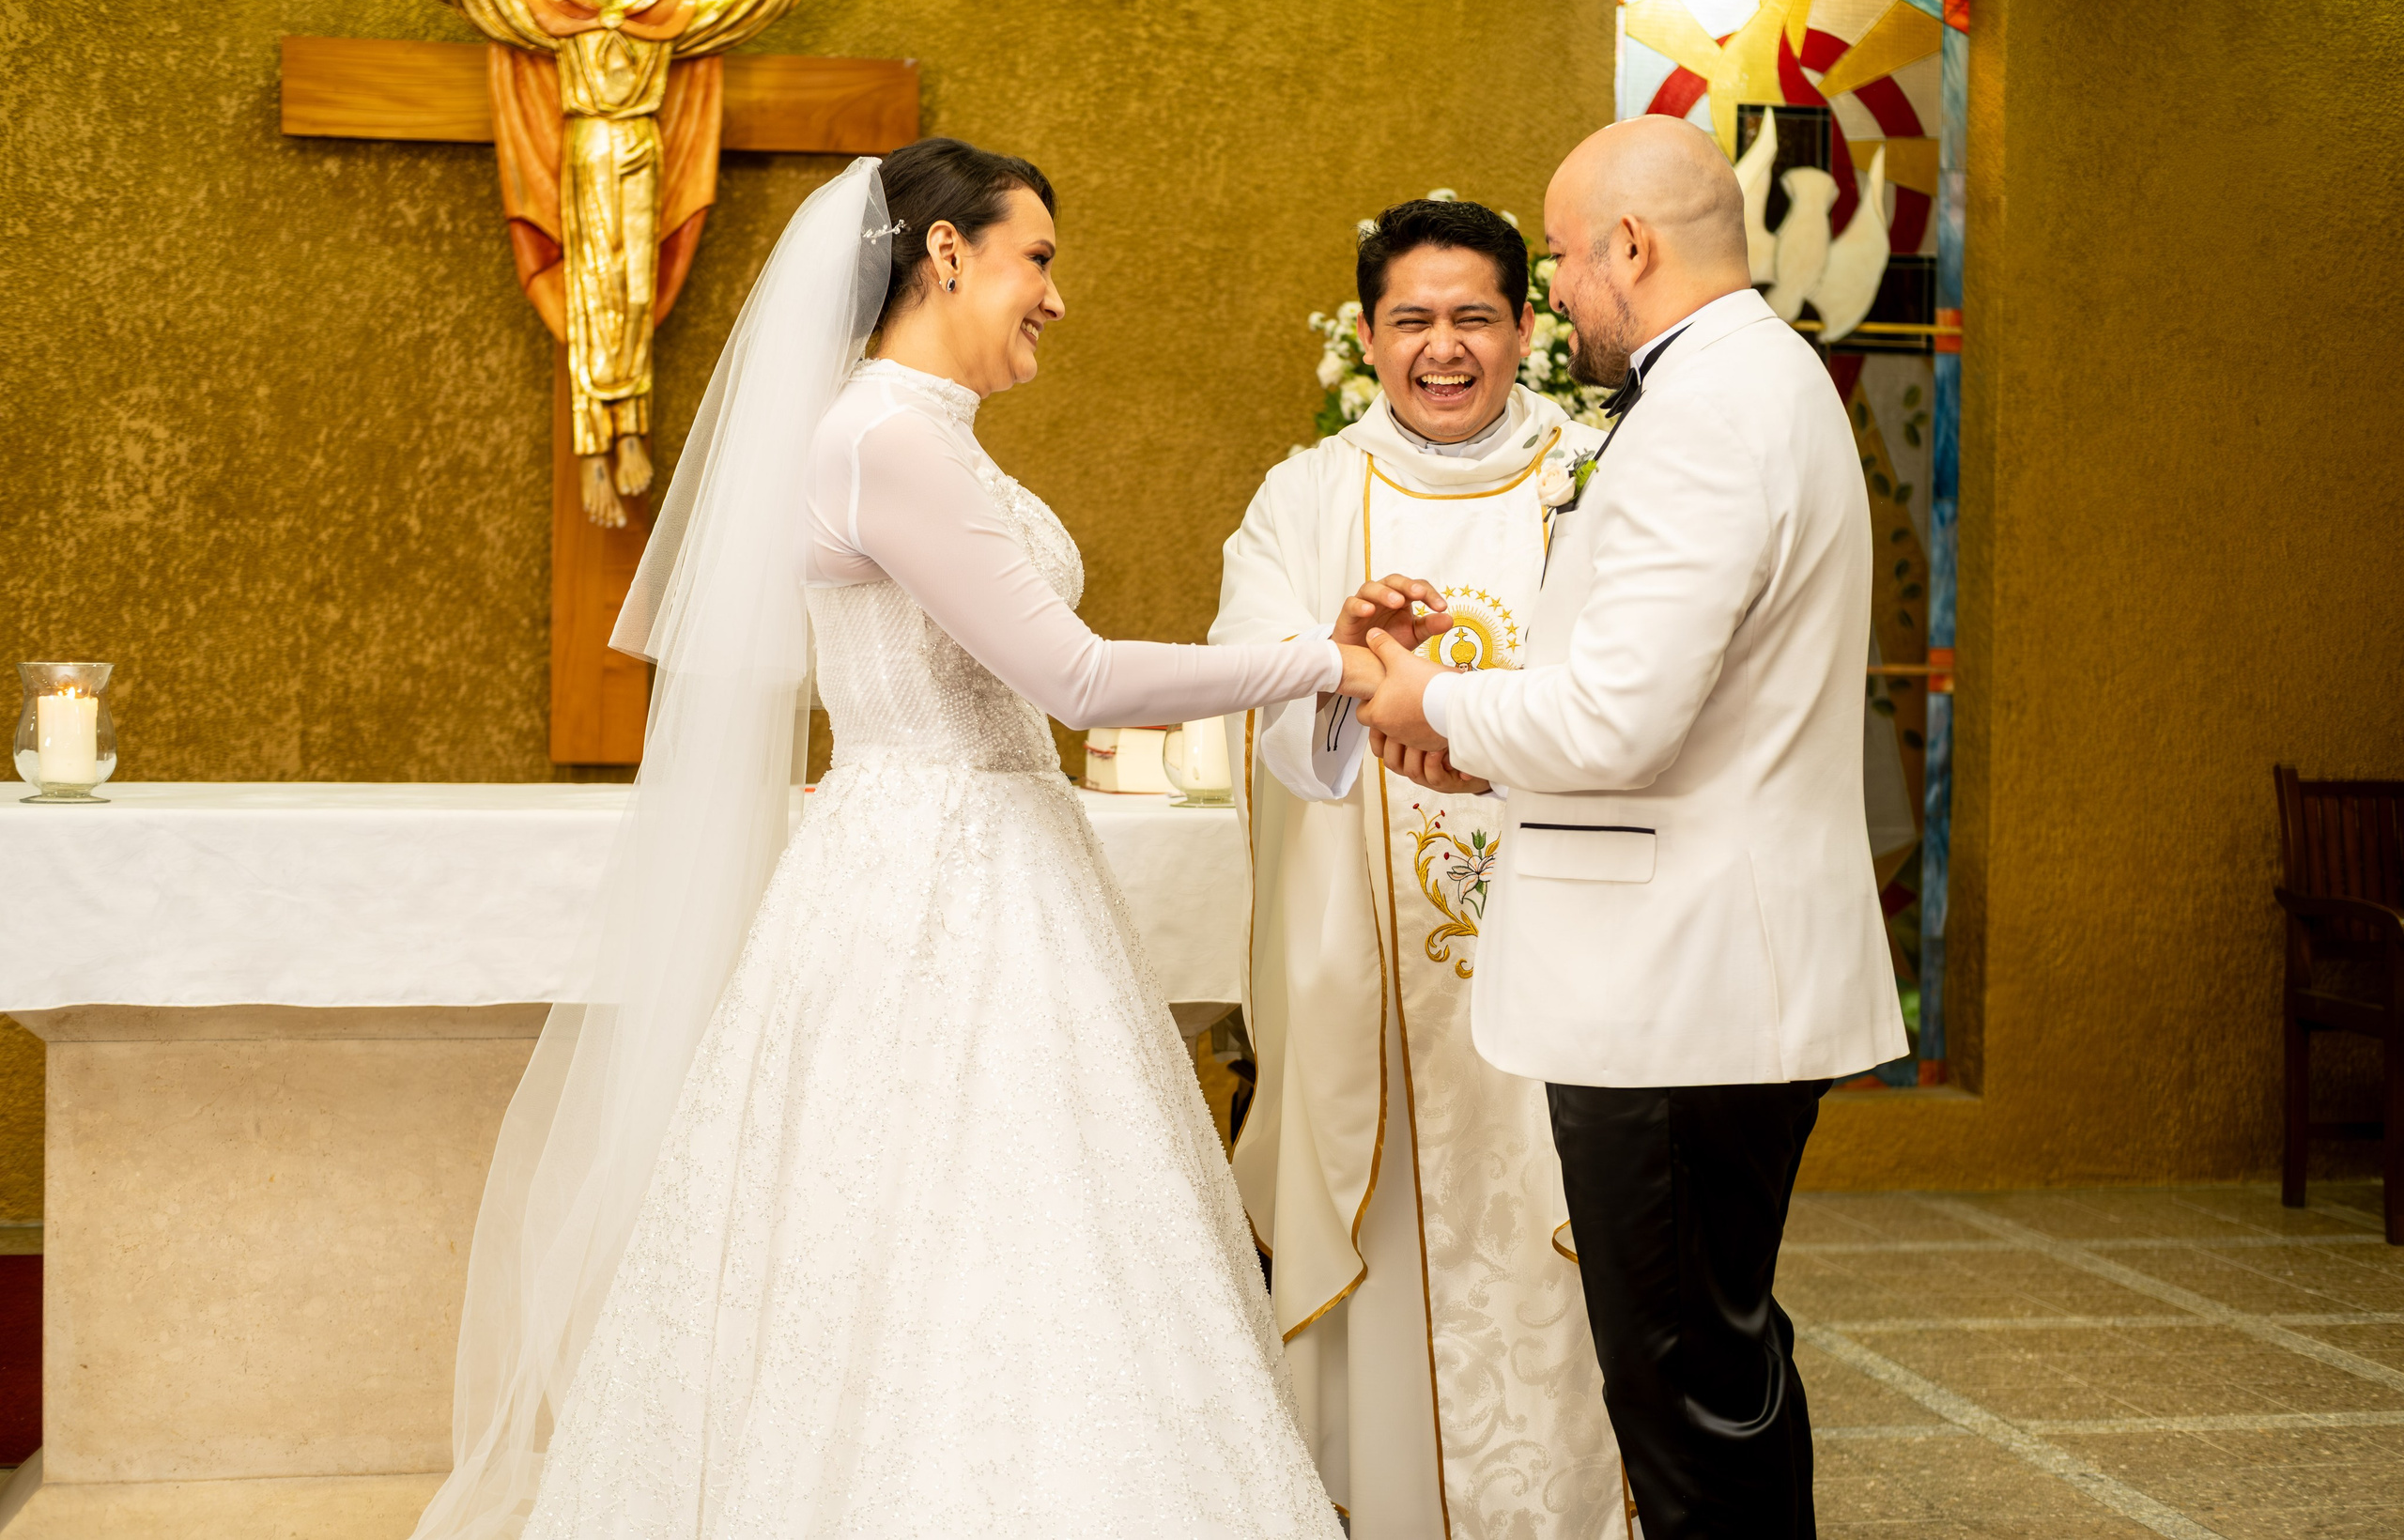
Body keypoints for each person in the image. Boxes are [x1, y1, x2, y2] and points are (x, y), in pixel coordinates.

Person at [410, 139, 1402, 1540]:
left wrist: (1312, 662)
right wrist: (1315, 662)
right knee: (938, 1243)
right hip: (934, 888)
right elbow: (1076, 680)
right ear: (949, 255)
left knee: (1017, 1248)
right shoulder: (881, 438)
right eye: (1037, 259)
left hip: (985, 863)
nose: (1055, 296)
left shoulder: (921, 435)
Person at [1353, 116, 1909, 1538]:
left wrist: (1441, 697)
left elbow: (1620, 717)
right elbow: (1671, 709)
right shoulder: (1752, 384)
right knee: (1721, 1364)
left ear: (1634, 248)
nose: (1560, 295)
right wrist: (1494, 759)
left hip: (1677, 980)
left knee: (1681, 1389)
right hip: (1704, 959)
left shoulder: (1712, 410)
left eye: (1558, 259)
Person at [1210, 198, 1633, 1538]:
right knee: (1389, 1256)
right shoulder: (1307, 497)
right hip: (1373, 995)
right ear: (1370, 335)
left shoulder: (1604, 479)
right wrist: (1331, 663)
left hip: (1575, 969)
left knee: (1575, 1258)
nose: (1442, 350)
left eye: (1471, 319)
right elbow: (1252, 702)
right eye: (1412, 322)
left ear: (1525, 327)